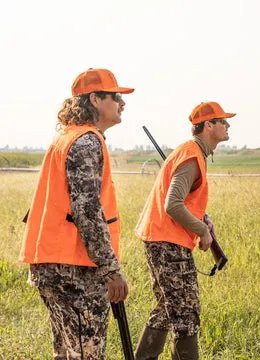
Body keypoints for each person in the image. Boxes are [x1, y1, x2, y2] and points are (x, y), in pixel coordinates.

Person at [19, 68, 134, 359]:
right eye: (116, 97)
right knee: (87, 354)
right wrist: (110, 269)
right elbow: (87, 212)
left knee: (68, 353)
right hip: (74, 270)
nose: (123, 104)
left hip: (53, 265)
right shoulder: (86, 142)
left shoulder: (67, 139)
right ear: (95, 99)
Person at [134, 101, 236, 360]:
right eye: (222, 121)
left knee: (166, 308)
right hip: (168, 241)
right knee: (187, 312)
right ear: (208, 126)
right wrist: (202, 230)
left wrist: (203, 217)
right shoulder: (192, 156)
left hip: (160, 238)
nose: (228, 125)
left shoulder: (193, 153)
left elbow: (185, 199)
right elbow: (173, 204)